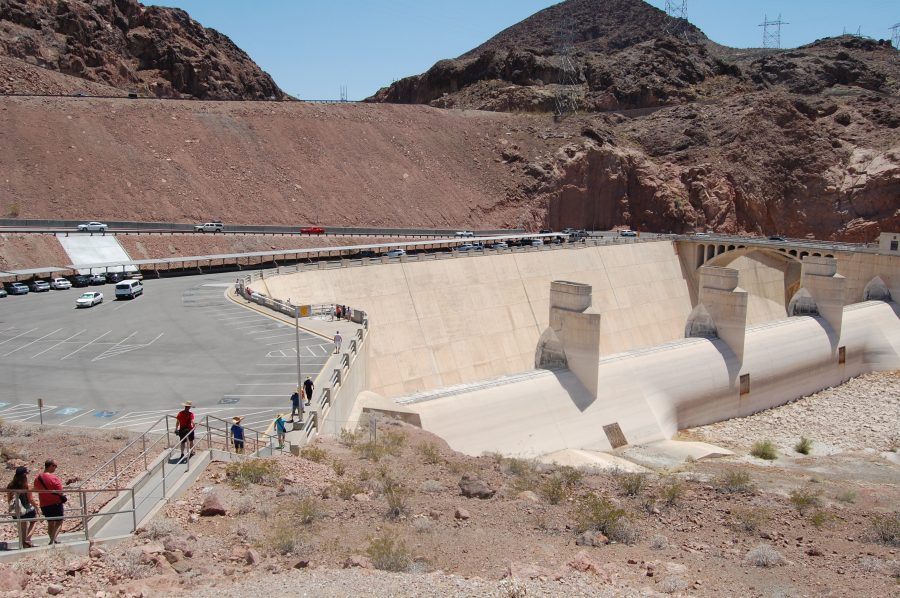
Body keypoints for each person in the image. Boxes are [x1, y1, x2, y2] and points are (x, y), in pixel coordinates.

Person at [34, 460, 64, 546]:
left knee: (50, 522)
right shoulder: (53, 478)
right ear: (50, 466)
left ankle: (52, 540)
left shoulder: (38, 478)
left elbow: (36, 489)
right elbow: (60, 491)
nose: (55, 468)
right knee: (59, 521)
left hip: (44, 504)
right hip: (55, 503)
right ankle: (52, 540)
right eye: (55, 466)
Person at [6, 466, 37, 548]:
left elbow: (9, 499)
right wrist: (37, 507)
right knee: (34, 521)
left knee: (23, 526)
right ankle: (27, 539)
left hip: (17, 509)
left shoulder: (10, 485)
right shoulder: (26, 486)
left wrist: (12, 507)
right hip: (26, 509)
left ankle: (24, 544)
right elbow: (30, 499)